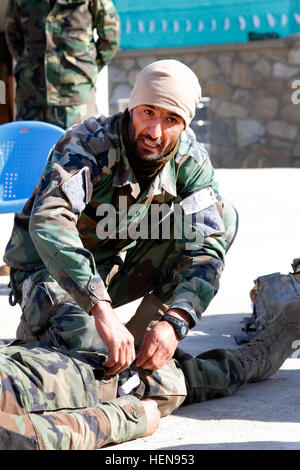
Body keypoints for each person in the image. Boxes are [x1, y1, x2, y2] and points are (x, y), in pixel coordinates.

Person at [4, 59, 239, 375]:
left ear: (185, 125)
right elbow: (50, 221)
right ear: (132, 108)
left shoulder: (190, 160)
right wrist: (101, 310)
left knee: (223, 220)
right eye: (148, 112)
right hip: (52, 272)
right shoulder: (89, 144)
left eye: (171, 119)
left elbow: (208, 245)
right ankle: (47, 324)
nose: (154, 131)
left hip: (113, 264)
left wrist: (176, 321)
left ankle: (144, 336)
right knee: (94, 362)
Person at [1, 296, 300, 450]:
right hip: (88, 382)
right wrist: (130, 417)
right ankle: (263, 350)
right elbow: (37, 439)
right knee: (176, 378)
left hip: (34, 353)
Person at [4, 0, 120, 129]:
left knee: (79, 147)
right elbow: (13, 35)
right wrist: (31, 67)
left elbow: (110, 37)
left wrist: (85, 69)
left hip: (75, 97)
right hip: (31, 96)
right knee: (30, 146)